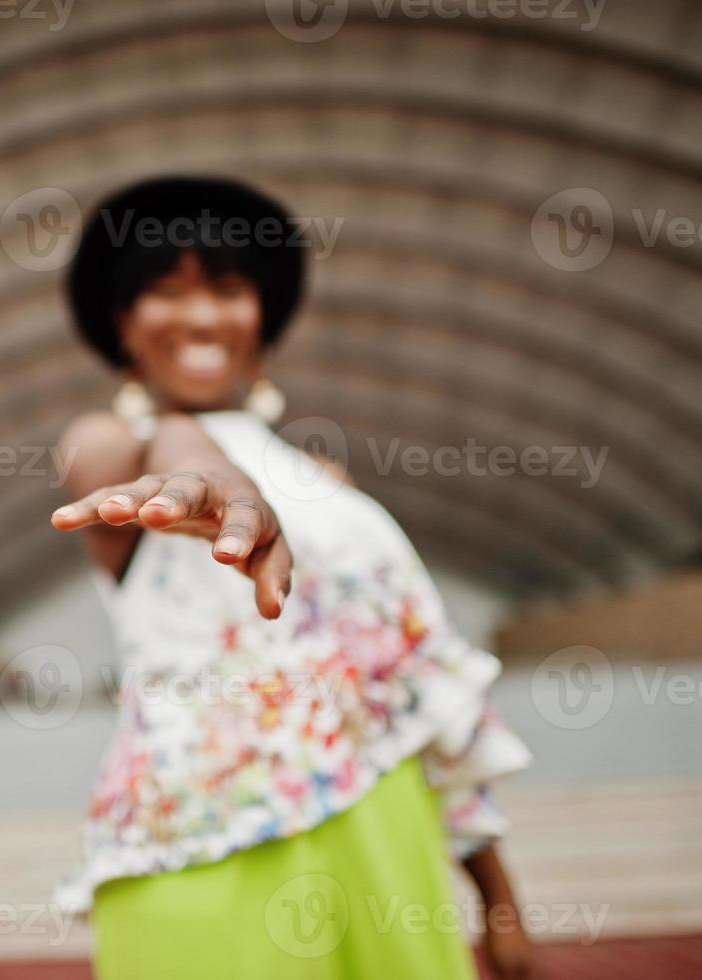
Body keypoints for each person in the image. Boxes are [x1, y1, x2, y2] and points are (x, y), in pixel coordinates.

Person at [47, 176, 536, 979]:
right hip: (198, 849)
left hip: (383, 837)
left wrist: (498, 898)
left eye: (229, 289)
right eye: (164, 292)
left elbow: (418, 692)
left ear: (260, 320)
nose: (201, 314)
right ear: (122, 323)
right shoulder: (107, 446)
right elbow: (173, 450)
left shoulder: (330, 490)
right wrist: (223, 493)